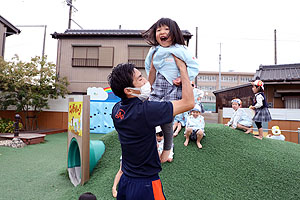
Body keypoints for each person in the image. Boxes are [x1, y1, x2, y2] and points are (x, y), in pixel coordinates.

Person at [108, 57, 194, 199]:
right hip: (145, 184)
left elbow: (141, 94)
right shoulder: (147, 112)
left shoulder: (117, 110)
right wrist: (183, 70)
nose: (146, 82)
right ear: (128, 90)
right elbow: (189, 103)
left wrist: (153, 68)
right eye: (140, 78)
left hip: (126, 180)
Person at [142, 17, 200, 158]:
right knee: (150, 111)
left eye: (166, 29)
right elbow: (149, 67)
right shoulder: (154, 50)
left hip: (175, 85)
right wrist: (151, 79)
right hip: (159, 83)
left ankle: (168, 147)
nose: (162, 32)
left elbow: (194, 67)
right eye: (159, 29)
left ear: (174, 33)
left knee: (168, 117)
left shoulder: (181, 49)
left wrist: (182, 78)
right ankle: (152, 145)